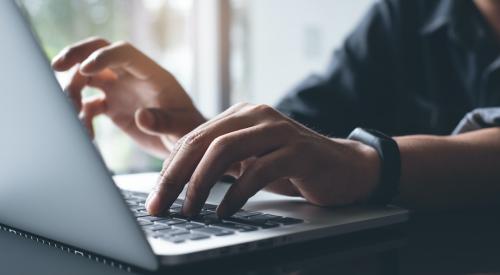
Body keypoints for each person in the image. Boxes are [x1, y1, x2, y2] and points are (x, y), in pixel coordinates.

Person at [51, 0, 500, 218]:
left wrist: (365, 162)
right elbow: (298, 138)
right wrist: (195, 131)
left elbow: (336, 159)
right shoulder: (407, 13)